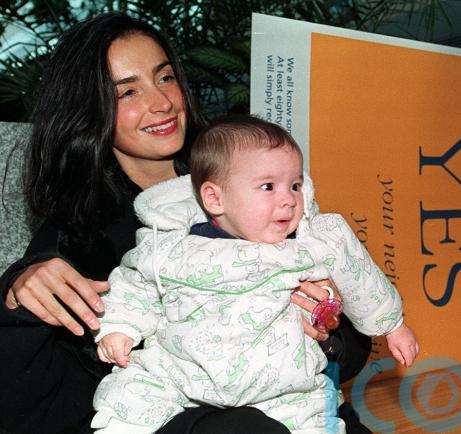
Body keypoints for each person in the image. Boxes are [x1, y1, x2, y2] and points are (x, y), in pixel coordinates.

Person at [0, 13, 371, 434]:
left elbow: (355, 351)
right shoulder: (77, 235)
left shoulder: (248, 174)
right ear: (89, 109)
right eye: (128, 92)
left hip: (301, 409)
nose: (161, 102)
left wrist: (327, 328)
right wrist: (15, 290)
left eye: (165, 78)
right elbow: (28, 403)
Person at [91, 115, 419, 433]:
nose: (288, 200)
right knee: (132, 394)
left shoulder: (310, 242)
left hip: (286, 387)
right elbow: (135, 284)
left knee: (316, 418)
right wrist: (119, 327)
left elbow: (359, 275)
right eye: (268, 186)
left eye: (295, 185)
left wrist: (392, 325)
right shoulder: (173, 246)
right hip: (182, 373)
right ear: (214, 198)